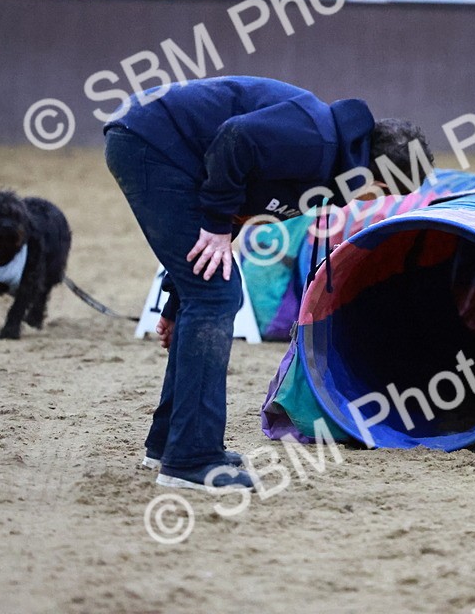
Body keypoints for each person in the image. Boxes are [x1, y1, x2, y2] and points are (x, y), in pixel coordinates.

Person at [104, 76, 432, 490]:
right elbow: (234, 137)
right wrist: (216, 226)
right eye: (378, 195)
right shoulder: (315, 140)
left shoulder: (326, 176)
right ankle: (190, 460)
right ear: (378, 179)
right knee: (217, 295)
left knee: (209, 288)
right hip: (152, 140)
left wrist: (175, 302)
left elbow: (229, 221)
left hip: (164, 150)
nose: (367, 203)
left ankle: (171, 443)